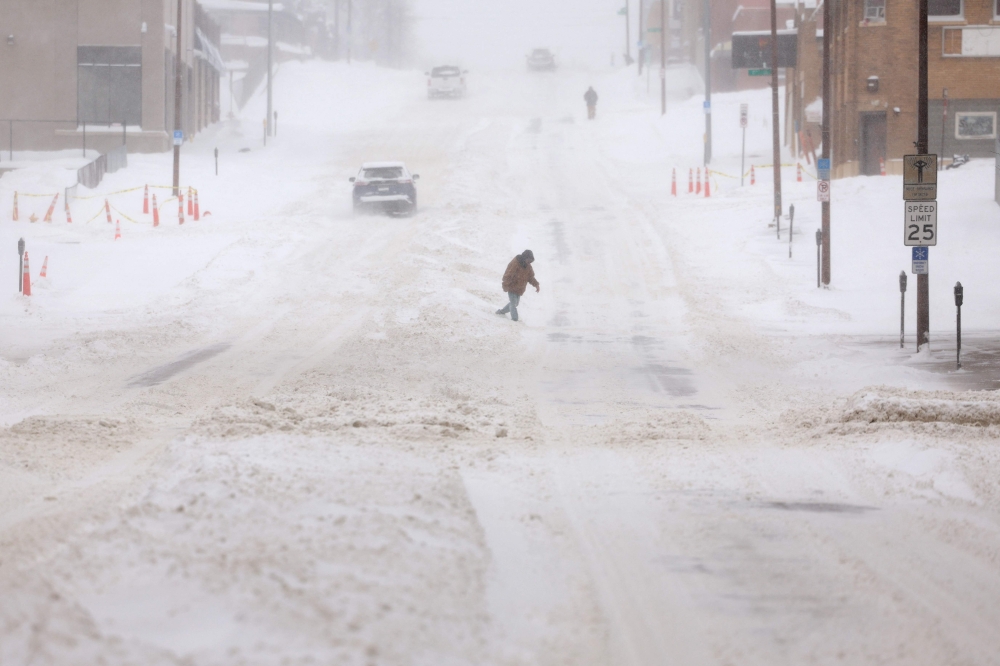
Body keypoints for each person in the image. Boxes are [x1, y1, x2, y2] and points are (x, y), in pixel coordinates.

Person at [496, 250, 540, 322]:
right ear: (525, 257)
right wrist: (505, 284)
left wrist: (536, 285)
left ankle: (501, 312)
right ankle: (514, 319)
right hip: (512, 286)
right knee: (513, 304)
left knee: (515, 304)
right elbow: (508, 274)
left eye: (530, 260)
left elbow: (530, 277)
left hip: (519, 289)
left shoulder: (528, 266)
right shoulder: (515, 263)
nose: (529, 262)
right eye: (528, 260)